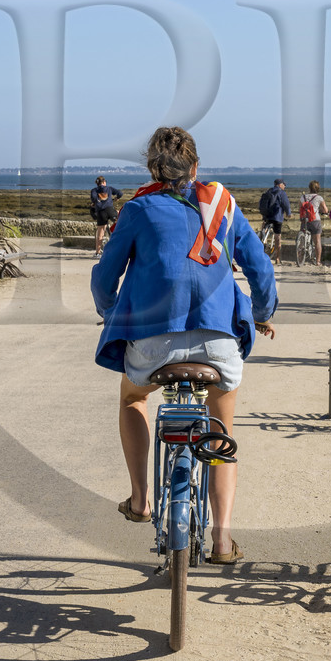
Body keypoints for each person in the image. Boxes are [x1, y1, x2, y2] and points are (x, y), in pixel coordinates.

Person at [93, 126, 277, 565]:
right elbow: (260, 270)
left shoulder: (137, 209)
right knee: (221, 431)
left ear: (153, 168)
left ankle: (141, 499)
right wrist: (263, 314)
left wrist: (110, 311)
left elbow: (105, 277)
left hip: (154, 343)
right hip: (218, 343)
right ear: (195, 166)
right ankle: (223, 541)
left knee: (133, 399)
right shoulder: (225, 206)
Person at [257, 179, 290, 265]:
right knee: (277, 236)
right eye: (284, 184)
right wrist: (288, 213)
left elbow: (261, 203)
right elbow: (286, 204)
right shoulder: (282, 193)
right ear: (280, 185)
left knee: (265, 226)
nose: (285, 186)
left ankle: (262, 236)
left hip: (267, 215)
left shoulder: (269, 191)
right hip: (277, 217)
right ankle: (277, 258)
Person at [90, 175, 123, 256]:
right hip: (110, 210)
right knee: (119, 218)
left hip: (101, 212)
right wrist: (116, 198)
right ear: (104, 182)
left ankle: (97, 253)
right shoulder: (109, 188)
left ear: (97, 183)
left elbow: (94, 199)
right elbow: (120, 193)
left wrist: (96, 202)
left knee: (100, 233)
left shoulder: (94, 190)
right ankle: (121, 247)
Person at [298, 180, 327, 267]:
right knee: (317, 241)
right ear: (318, 188)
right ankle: (318, 261)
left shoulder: (303, 197)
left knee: (302, 241)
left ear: (309, 188)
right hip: (315, 220)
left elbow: (300, 208)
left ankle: (299, 258)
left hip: (304, 220)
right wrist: (322, 211)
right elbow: (325, 210)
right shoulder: (319, 198)